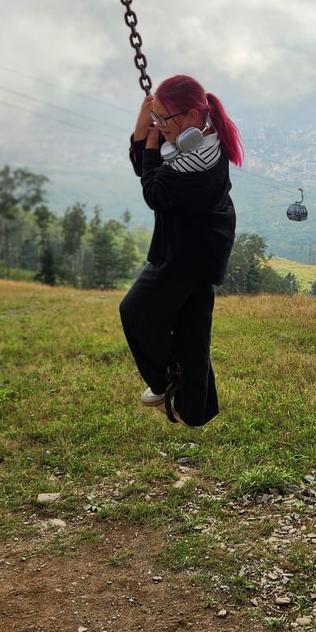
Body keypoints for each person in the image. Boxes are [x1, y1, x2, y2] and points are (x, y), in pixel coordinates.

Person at [119, 74, 243, 426]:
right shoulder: (194, 137)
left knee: (135, 311)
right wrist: (143, 133)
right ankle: (195, 410)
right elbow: (148, 169)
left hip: (186, 253)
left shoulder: (197, 162)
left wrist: (147, 143)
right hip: (202, 246)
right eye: (155, 116)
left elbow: (154, 192)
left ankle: (162, 386)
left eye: (164, 118)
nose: (160, 125)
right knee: (192, 329)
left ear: (191, 114)